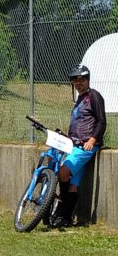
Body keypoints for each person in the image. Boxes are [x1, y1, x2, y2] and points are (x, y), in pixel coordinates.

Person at [50, 64, 106, 228]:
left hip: (85, 146)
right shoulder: (80, 99)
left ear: (88, 80)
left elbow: (101, 121)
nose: (78, 82)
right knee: (73, 184)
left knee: (63, 172)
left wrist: (92, 140)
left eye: (82, 79)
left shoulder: (94, 96)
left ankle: (62, 210)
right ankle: (66, 219)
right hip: (74, 145)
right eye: (75, 79)